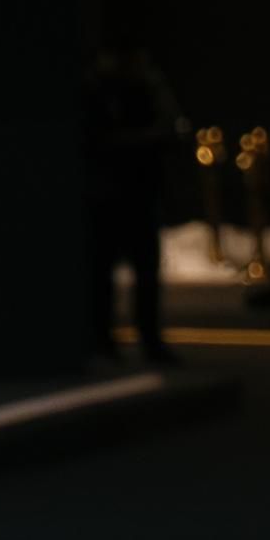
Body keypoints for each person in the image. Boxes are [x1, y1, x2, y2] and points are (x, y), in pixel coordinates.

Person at [79, 45, 186, 363]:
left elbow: (171, 128)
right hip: (111, 191)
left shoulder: (147, 87)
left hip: (135, 190)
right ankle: (106, 338)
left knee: (141, 271)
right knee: (106, 271)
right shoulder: (99, 91)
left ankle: (141, 338)